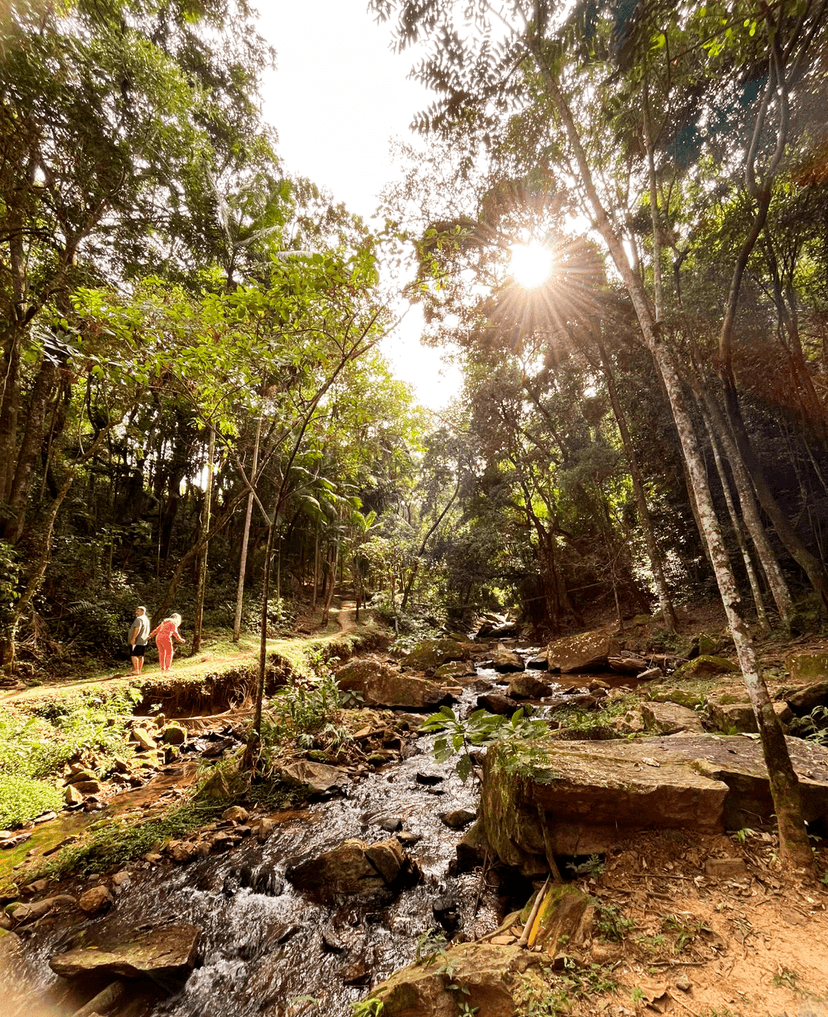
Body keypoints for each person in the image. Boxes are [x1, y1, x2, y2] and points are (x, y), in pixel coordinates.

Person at [128, 606, 150, 676]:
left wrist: (133, 638)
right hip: (143, 640)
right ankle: (139, 670)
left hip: (137, 640)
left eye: (138, 611)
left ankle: (136, 670)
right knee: (141, 655)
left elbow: (137, 628)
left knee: (134, 655)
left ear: (142, 611)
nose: (136, 612)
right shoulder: (146, 619)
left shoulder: (139, 619)